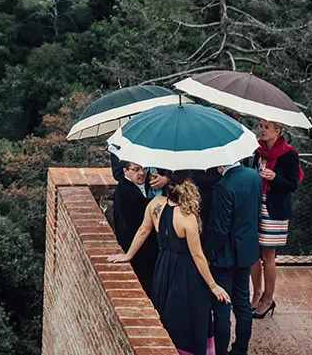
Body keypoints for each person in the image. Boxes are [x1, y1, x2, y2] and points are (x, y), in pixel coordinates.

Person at [109, 172, 230, 355]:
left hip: (163, 267)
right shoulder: (187, 219)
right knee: (190, 318)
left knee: (166, 313)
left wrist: (128, 255)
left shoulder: (155, 205)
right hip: (187, 273)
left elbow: (143, 231)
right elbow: (197, 255)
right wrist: (213, 286)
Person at [205, 159, 262, 355]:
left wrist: (208, 253)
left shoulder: (223, 185)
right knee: (243, 304)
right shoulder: (254, 177)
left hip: (225, 256)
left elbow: (220, 228)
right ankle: (240, 349)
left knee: (222, 308)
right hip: (246, 251)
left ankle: (220, 351)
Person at [251, 119, 301, 319]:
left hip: (274, 208)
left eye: (266, 127)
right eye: (261, 126)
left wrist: (275, 178)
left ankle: (268, 299)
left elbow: (292, 184)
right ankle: (256, 292)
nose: (262, 131)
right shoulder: (257, 152)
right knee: (253, 253)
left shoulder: (289, 154)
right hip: (256, 206)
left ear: (278, 131)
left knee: (268, 256)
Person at [113, 160, 159, 295]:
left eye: (144, 169)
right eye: (136, 169)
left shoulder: (140, 187)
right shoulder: (128, 193)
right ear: (125, 171)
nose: (142, 173)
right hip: (140, 251)